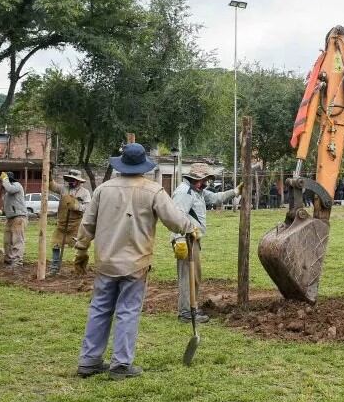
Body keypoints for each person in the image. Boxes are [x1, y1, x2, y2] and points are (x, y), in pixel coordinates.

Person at [73, 143, 196, 380]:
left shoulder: (102, 190)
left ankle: (89, 361)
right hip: (136, 263)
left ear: (121, 164)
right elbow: (174, 220)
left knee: (99, 309)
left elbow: (87, 224)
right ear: (143, 167)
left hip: (106, 261)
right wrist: (191, 228)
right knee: (128, 311)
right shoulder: (153, 190)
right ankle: (121, 364)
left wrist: (81, 250)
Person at [170, 163, 242, 323]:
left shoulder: (198, 191)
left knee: (195, 276)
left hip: (193, 239)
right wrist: (179, 239)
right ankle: (186, 312)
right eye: (206, 179)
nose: (207, 183)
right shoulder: (184, 192)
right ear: (198, 178)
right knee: (188, 276)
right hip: (185, 240)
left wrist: (235, 191)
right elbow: (176, 217)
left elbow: (216, 198)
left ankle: (192, 307)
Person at [49, 169, 92, 275]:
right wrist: (48, 175)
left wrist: (76, 206)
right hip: (62, 224)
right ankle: (54, 268)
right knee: (55, 245)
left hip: (76, 225)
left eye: (73, 180)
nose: (71, 182)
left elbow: (88, 208)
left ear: (79, 181)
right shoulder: (63, 188)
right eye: (69, 179)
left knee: (80, 246)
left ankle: (80, 269)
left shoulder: (85, 192)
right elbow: (52, 186)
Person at [0, 171, 27, 270]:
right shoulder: (6, 194)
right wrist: (0, 211)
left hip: (18, 217)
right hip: (10, 218)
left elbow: (10, 189)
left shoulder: (16, 185)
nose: (2, 184)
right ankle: (9, 259)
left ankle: (17, 262)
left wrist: (4, 179)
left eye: (3, 181)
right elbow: (8, 205)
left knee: (17, 240)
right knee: (7, 241)